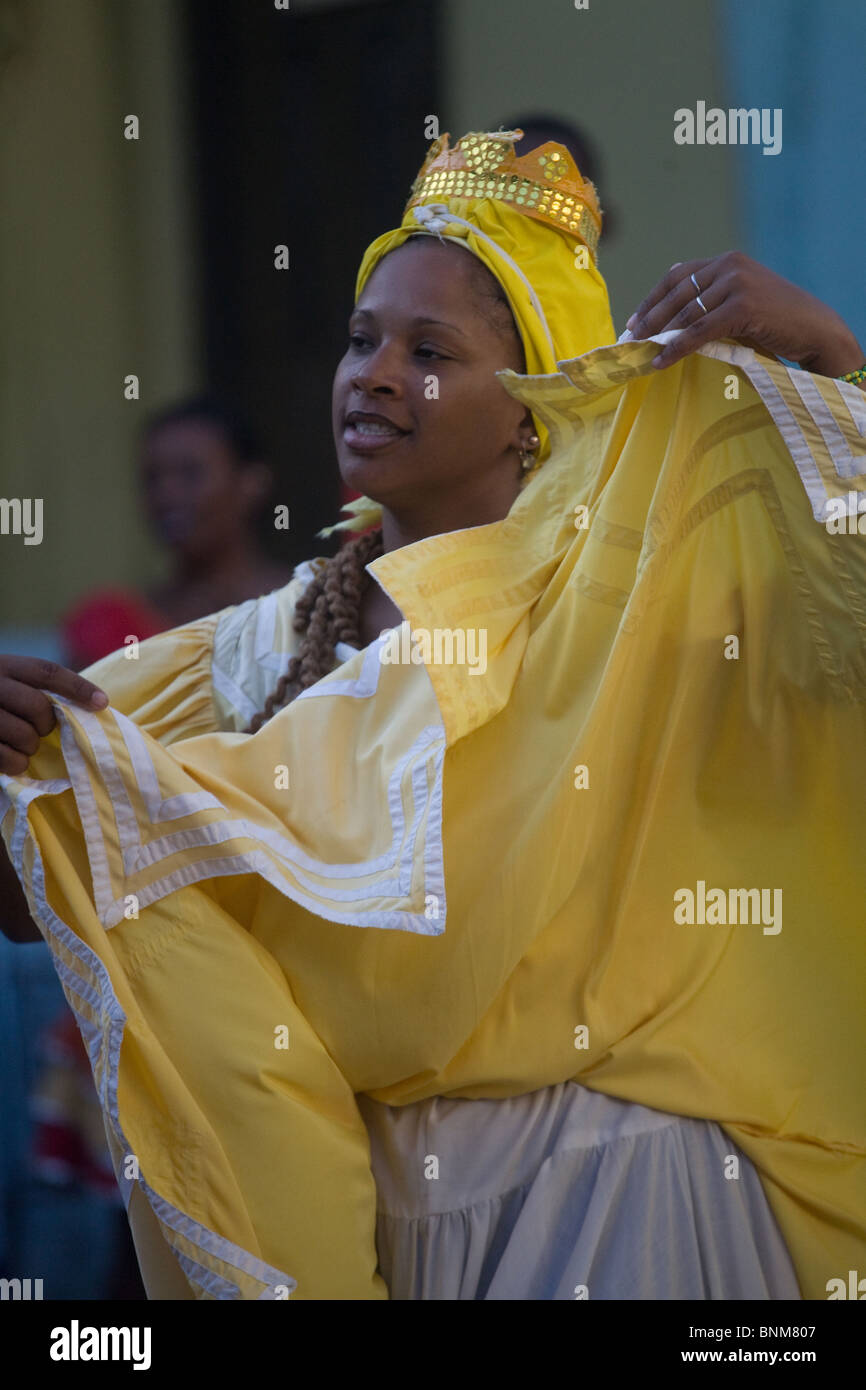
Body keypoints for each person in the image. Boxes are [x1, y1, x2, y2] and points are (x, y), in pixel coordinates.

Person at [0, 128, 865, 1301]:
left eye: (428, 350)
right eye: (361, 340)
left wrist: (827, 363)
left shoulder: (638, 589)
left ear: (528, 403)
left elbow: (837, 607)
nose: (370, 373)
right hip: (385, 1224)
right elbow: (58, 868)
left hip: (613, 1196)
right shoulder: (263, 647)